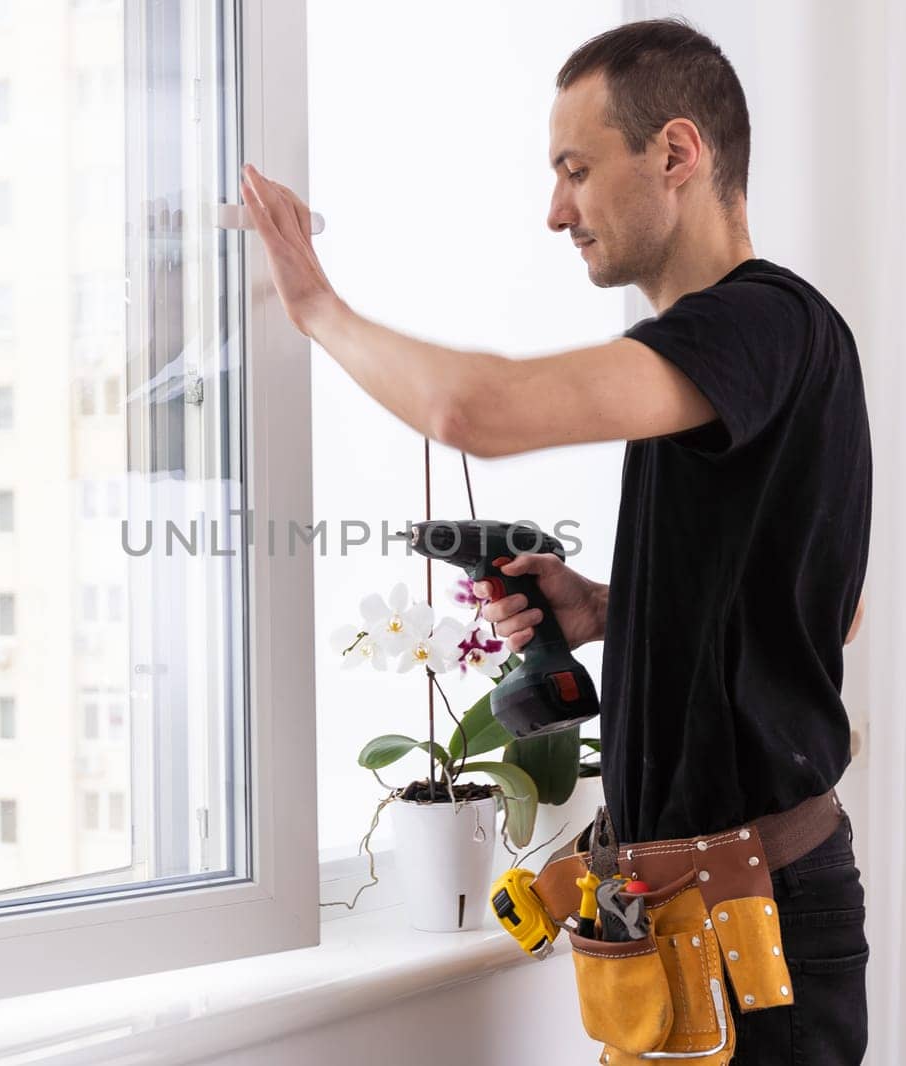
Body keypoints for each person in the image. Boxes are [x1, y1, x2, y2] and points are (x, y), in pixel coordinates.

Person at [240, 17, 870, 1065]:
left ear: (675, 154)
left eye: (576, 171)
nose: (554, 211)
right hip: (696, 926)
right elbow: (822, 605)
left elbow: (471, 410)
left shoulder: (756, 324)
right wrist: (610, 609)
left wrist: (315, 305)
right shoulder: (751, 359)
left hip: (750, 933)